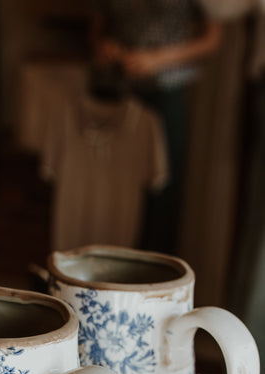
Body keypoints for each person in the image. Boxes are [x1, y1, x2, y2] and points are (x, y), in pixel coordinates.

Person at [88, 0, 222, 254]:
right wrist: (103, 48)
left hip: (165, 90)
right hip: (114, 89)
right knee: (110, 184)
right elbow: (97, 25)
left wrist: (158, 59)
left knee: (161, 188)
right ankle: (101, 261)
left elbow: (212, 39)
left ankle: (149, 272)